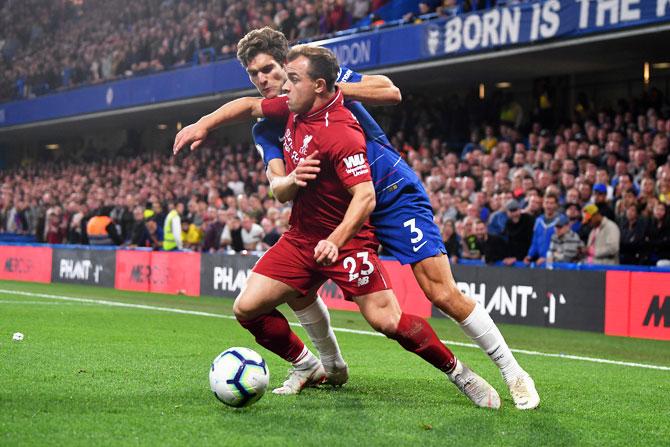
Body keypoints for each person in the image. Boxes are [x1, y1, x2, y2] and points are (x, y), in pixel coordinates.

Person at [174, 28, 538, 409]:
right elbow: (257, 134)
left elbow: (390, 92)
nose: (261, 80)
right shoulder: (270, 121)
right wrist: (206, 126)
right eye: (253, 74)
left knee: (441, 292)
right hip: (334, 214)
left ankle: (513, 373)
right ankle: (321, 366)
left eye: (268, 69)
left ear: (291, 66)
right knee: (295, 286)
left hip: (388, 194)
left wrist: (332, 90)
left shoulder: (324, 84)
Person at [239, 46, 501, 407]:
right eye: (255, 74)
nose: (273, 83)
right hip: (302, 235)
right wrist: (201, 125)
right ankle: (308, 365)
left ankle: (461, 373)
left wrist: (335, 238)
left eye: (283, 75)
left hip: (346, 238)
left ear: (316, 84)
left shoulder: (342, 130)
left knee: (387, 320)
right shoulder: (286, 114)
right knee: (246, 307)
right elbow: (253, 123)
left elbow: (365, 196)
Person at [524, 193, 561, 266]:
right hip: (540, 261)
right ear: (543, 204)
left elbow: (562, 244)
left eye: (552, 203)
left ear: (556, 205)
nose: (549, 206)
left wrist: (549, 258)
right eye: (547, 203)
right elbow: (535, 241)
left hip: (556, 263)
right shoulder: (538, 221)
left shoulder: (561, 221)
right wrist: (529, 255)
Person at [502, 199, 534, 266]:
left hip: (527, 258)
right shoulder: (508, 223)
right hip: (513, 259)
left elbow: (530, 241)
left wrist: (517, 258)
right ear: (507, 212)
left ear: (520, 210)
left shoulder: (528, 220)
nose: (514, 214)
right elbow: (508, 243)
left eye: (515, 210)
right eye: (511, 211)